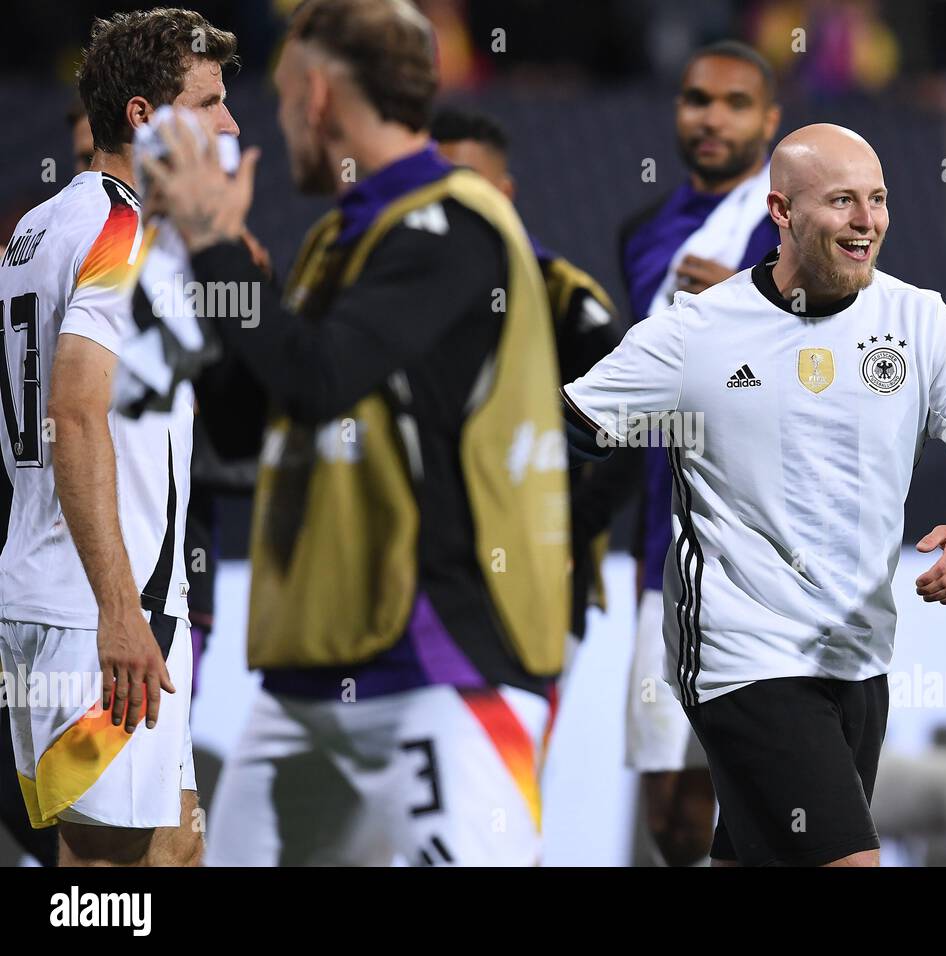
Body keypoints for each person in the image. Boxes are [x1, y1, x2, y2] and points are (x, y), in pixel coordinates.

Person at [145, 0, 569, 866]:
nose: (271, 117)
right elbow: (248, 418)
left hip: (443, 668)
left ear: (323, 96)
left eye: (285, 92)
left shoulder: (454, 225)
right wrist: (197, 266)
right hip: (313, 667)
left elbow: (319, 378)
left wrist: (216, 243)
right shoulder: (341, 238)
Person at [563, 123, 946, 867]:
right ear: (782, 212)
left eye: (878, 200)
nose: (867, 221)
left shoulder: (917, 322)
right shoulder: (701, 331)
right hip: (741, 653)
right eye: (844, 201)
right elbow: (570, 427)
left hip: (857, 653)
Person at [0, 7, 242, 867]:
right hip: (99, 610)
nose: (228, 123)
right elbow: (72, 411)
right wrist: (120, 611)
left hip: (75, 593)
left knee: (175, 849)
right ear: (144, 115)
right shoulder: (121, 232)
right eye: (208, 101)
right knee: (105, 876)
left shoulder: (38, 226)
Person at [617, 39, 782, 866]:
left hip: (766, 559)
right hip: (665, 551)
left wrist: (745, 311)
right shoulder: (643, 234)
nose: (711, 117)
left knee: (756, 799)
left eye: (734, 102)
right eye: (696, 99)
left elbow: (838, 383)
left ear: (771, 120)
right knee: (673, 818)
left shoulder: (803, 231)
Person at [430, 107, 631, 664]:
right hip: (427, 577)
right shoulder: (399, 295)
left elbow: (634, 435)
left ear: (506, 192)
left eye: (468, 187)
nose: (452, 206)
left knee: (512, 748)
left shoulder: (567, 300)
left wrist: (561, 530)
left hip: (537, 577)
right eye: (435, 187)